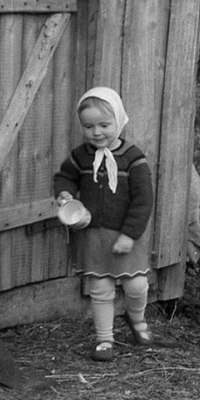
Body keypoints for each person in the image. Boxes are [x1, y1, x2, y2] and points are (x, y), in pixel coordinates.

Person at [54, 87, 154, 361]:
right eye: (88, 126)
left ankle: (137, 322)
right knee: (101, 289)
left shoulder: (133, 158)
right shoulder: (81, 156)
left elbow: (143, 200)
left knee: (136, 286)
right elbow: (64, 177)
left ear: (119, 121)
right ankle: (104, 339)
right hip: (94, 234)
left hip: (124, 236)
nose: (96, 132)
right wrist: (63, 194)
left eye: (104, 125)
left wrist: (129, 235)